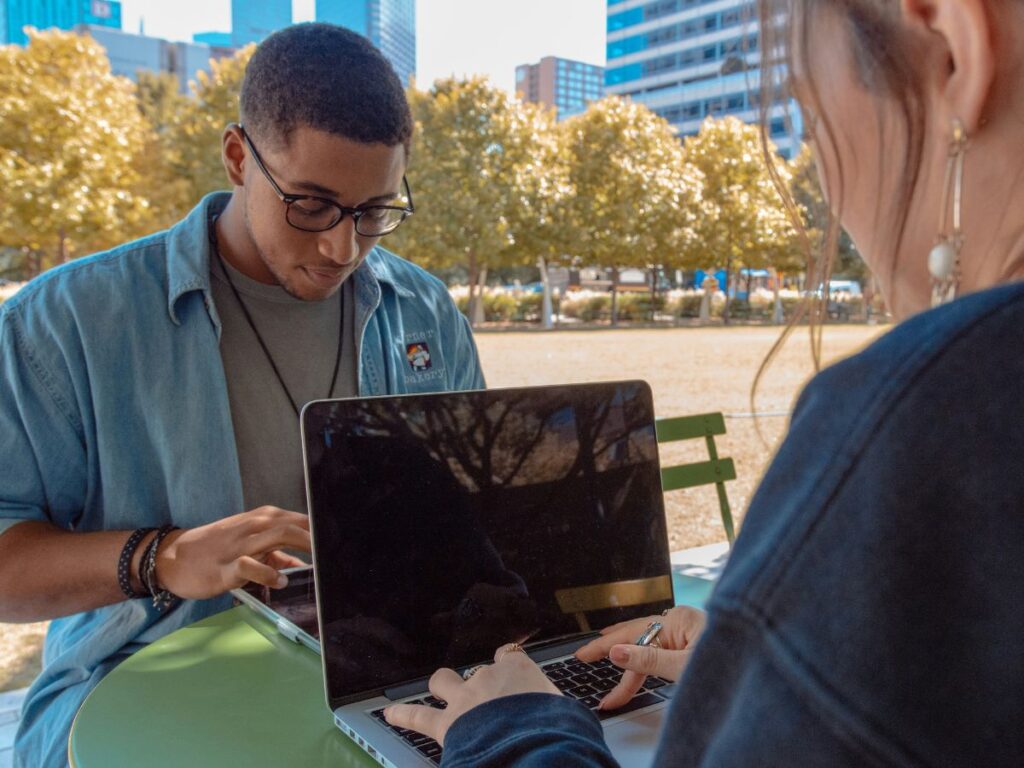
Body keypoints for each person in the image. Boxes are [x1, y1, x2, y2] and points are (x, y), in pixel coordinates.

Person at [385, 0, 1024, 764]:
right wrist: (774, 659)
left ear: (953, 44)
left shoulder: (928, 422)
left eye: (811, 121)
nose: (826, 192)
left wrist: (516, 730)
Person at [0, 23, 484, 768]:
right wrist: (159, 558)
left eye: (374, 212)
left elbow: (469, 519)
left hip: (389, 683)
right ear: (237, 157)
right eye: (313, 205)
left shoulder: (424, 312)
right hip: (137, 701)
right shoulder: (66, 321)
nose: (342, 249)